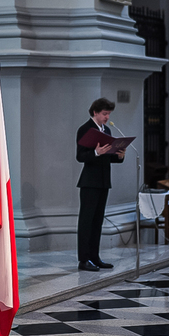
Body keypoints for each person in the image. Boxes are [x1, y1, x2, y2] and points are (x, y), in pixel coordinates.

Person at [75, 98, 125, 272]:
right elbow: (80, 156)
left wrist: (119, 155)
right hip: (89, 182)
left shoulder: (107, 130)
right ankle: (83, 260)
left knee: (97, 222)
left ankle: (94, 257)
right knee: (86, 222)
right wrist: (96, 152)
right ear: (95, 112)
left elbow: (109, 157)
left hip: (104, 182)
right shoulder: (85, 129)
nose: (107, 117)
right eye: (104, 113)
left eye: (108, 114)